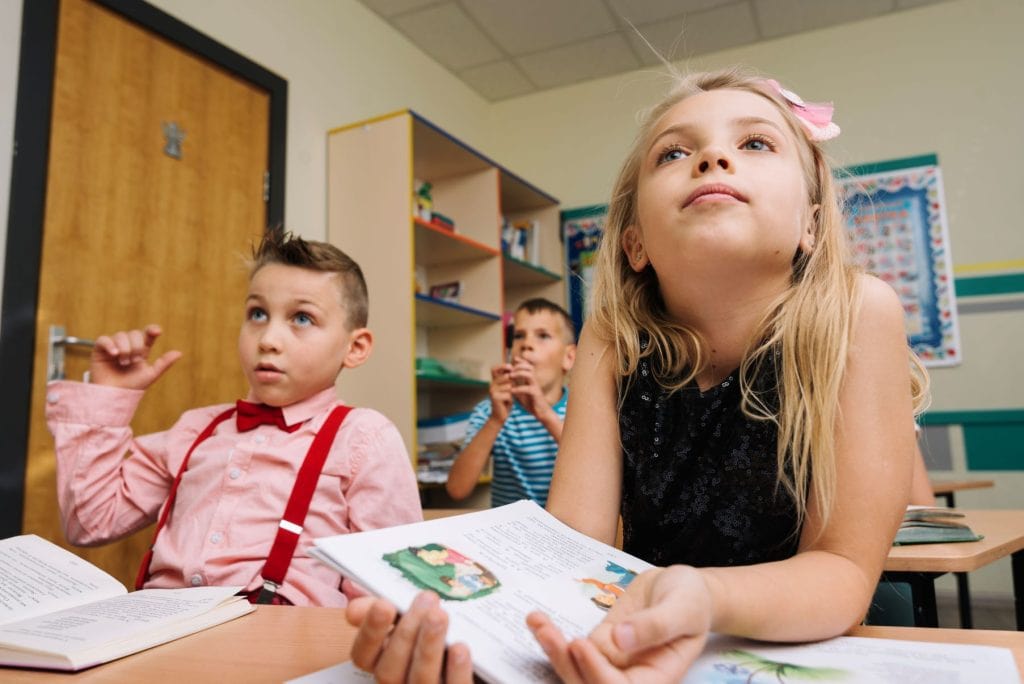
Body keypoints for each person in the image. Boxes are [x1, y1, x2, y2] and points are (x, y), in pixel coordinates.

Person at [345, 67, 929, 683]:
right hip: (631, 649)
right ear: (635, 245)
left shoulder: (860, 313)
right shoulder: (610, 340)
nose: (713, 158)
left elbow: (841, 571)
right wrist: (463, 625)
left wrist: (702, 600)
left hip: (786, 654)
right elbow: (570, 547)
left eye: (755, 143)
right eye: (674, 152)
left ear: (811, 224)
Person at [46, 230, 422, 607]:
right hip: (160, 626)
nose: (268, 339)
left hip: (280, 641)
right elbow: (89, 523)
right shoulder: (195, 429)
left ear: (354, 348)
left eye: (302, 318)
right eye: (257, 314)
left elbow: (386, 591)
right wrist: (109, 396)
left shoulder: (363, 438)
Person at [444, 298, 576, 507]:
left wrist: (545, 414)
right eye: (518, 336)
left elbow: (594, 472)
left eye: (543, 336)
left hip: (565, 531)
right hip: (510, 534)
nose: (526, 344)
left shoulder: (580, 412)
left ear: (569, 357)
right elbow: (457, 489)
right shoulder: (490, 411)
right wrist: (495, 420)